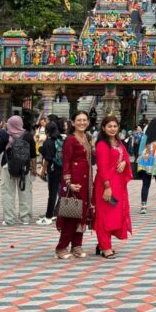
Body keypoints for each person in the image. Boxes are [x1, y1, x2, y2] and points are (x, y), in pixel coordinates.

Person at [55, 111, 94, 260]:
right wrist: (68, 183)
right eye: (79, 120)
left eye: (85, 120)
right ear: (73, 123)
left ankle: (77, 245)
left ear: (89, 122)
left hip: (85, 181)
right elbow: (66, 162)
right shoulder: (70, 140)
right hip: (74, 181)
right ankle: (61, 247)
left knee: (82, 212)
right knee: (71, 214)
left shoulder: (86, 138)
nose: (82, 122)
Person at [93, 114, 133, 258]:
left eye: (115, 126)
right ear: (103, 128)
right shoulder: (102, 145)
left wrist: (124, 163)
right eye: (109, 126)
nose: (112, 129)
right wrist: (107, 186)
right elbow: (102, 168)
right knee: (105, 215)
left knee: (115, 213)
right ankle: (105, 246)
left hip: (118, 184)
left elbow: (126, 157)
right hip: (106, 184)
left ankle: (102, 243)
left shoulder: (117, 142)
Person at [0, 116, 36, 225]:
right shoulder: (28, 136)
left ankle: (9, 219)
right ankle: (25, 219)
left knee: (8, 193)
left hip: (8, 167)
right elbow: (33, 155)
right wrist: (34, 169)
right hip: (24, 168)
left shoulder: (5, 135)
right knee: (25, 193)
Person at [37, 118, 64, 225]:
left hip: (53, 169)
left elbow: (47, 159)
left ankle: (49, 216)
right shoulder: (61, 139)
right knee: (63, 192)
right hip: (62, 168)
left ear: (47, 131)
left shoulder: (48, 141)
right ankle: (60, 214)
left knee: (52, 193)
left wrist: (43, 170)